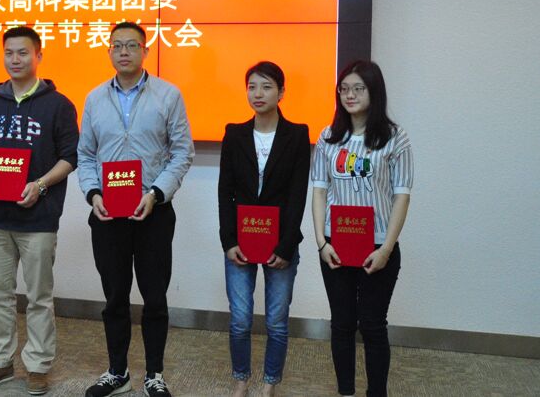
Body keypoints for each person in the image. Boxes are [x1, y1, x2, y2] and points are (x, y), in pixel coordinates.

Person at [77, 21, 195, 397]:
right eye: (117, 45)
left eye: (131, 45)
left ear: (145, 50)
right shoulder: (95, 98)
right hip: (107, 214)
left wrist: (157, 193)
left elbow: (183, 152)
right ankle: (118, 372)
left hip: (153, 213)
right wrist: (93, 193)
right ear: (109, 52)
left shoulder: (168, 95)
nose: (124, 51)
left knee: (155, 298)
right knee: (115, 298)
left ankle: (154, 374)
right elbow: (85, 154)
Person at [0, 27, 79, 396]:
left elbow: (70, 157)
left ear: (38, 55)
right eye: (9, 53)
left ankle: (37, 365)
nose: (15, 59)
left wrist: (40, 185)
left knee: (38, 297)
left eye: (23, 53)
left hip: (38, 219)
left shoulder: (59, 104)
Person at [311, 60, 413, 397]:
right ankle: (345, 391)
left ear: (374, 92)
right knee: (341, 324)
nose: (349, 95)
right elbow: (319, 190)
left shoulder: (395, 138)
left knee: (372, 325)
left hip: (379, 247)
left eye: (358, 88)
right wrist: (321, 242)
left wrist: (386, 249)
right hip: (336, 247)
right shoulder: (328, 137)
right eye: (344, 89)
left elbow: (401, 196)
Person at [217, 62, 310, 396]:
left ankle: (270, 384)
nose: (258, 93)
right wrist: (228, 241)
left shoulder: (297, 135)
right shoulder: (234, 133)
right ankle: (241, 380)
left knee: (276, 321)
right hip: (240, 242)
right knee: (240, 318)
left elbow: (298, 194)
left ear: (281, 92)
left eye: (267, 86)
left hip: (281, 242)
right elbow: (225, 192)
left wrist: (286, 246)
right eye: (252, 86)